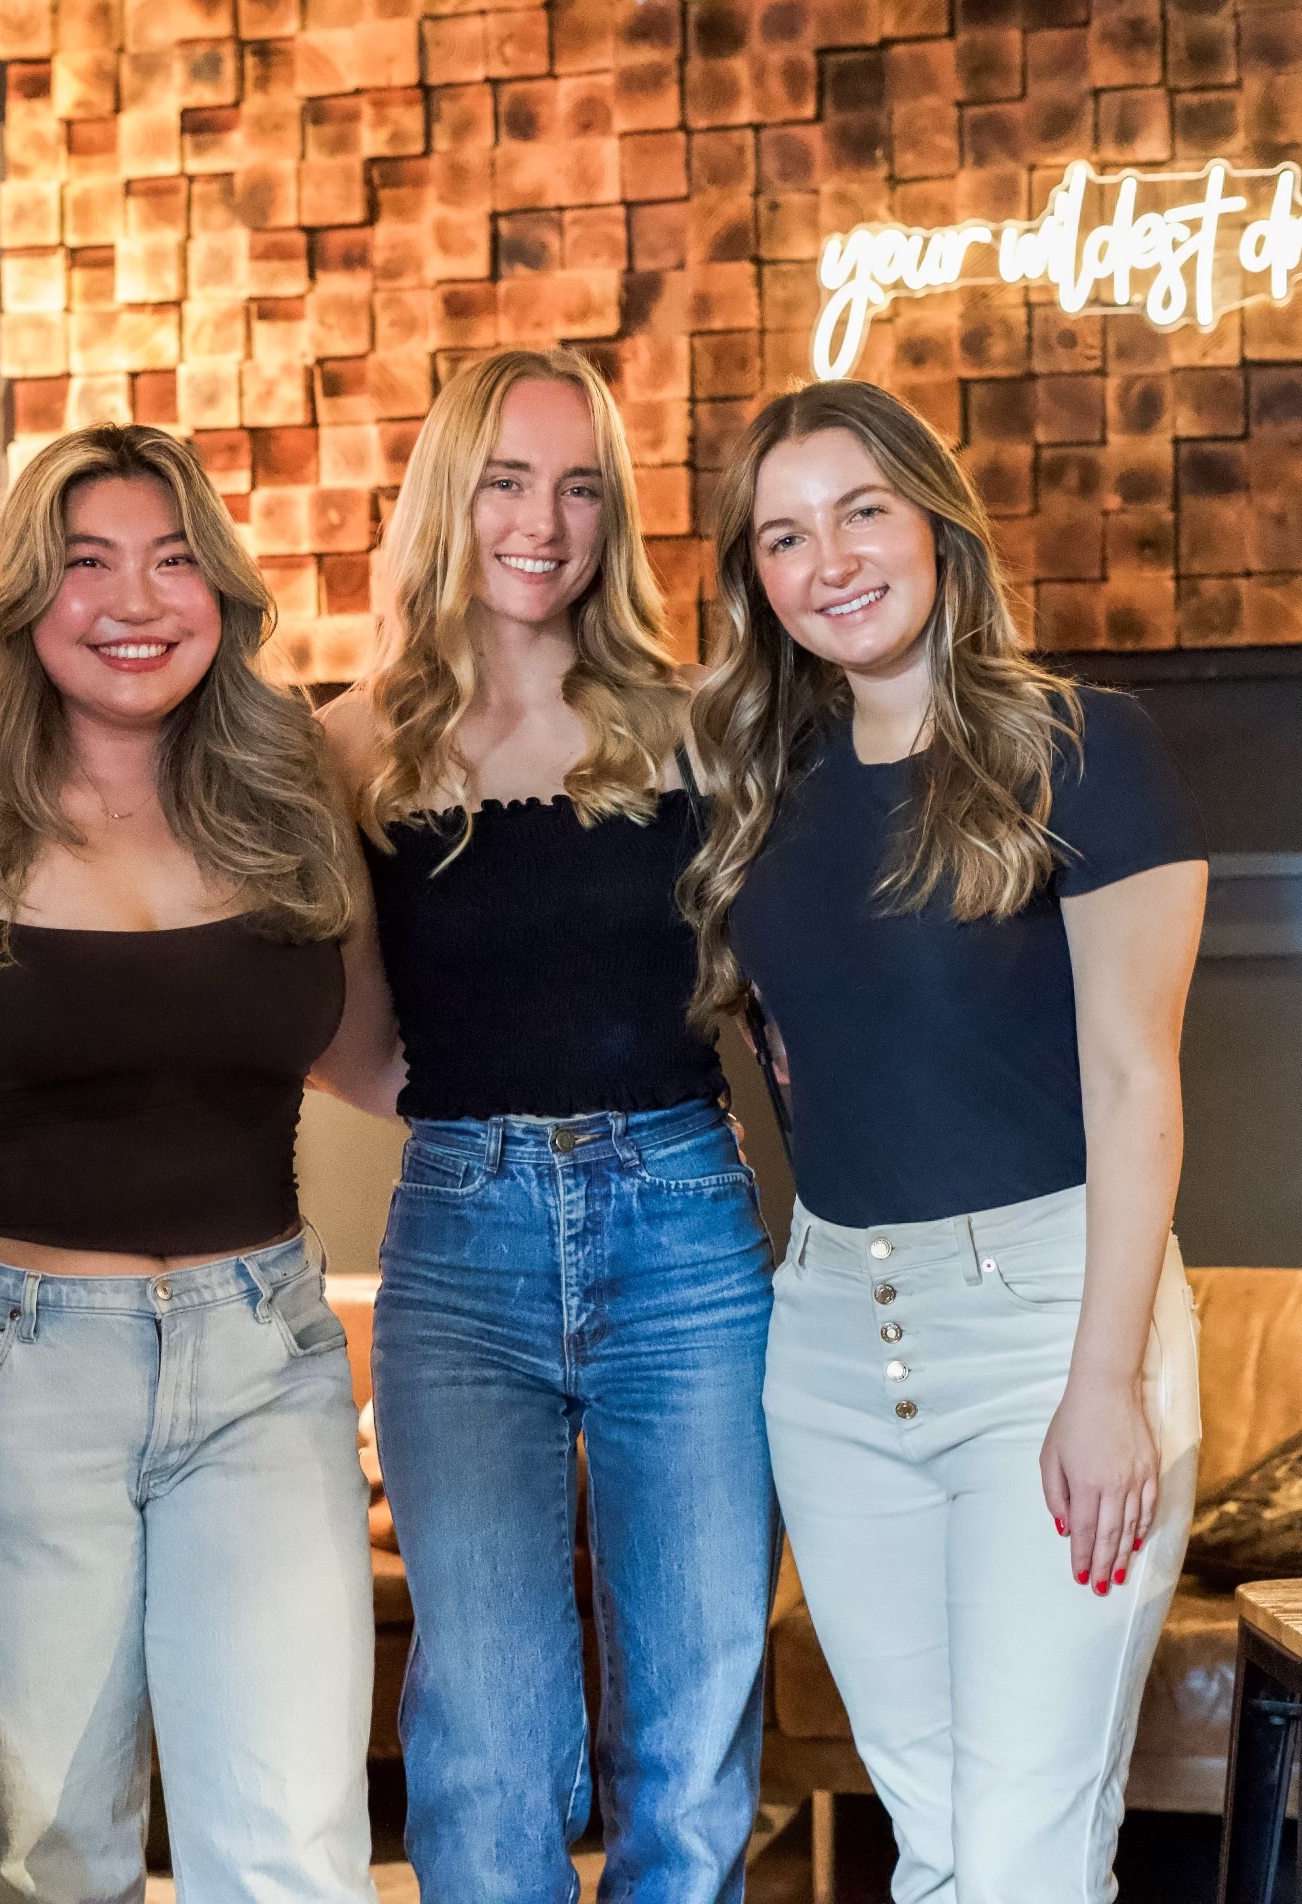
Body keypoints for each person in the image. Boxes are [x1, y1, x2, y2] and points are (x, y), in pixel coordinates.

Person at [682, 379, 1205, 1904]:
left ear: (935, 524)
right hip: (832, 1343)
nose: (830, 561)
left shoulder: (1083, 746)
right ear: (755, 581)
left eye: (861, 513)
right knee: (941, 1852)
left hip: (1052, 1325)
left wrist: (1107, 1386)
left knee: (1032, 1857)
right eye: (784, 537)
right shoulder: (760, 789)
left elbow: (1135, 1085)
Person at [0, 423, 375, 1904]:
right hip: (5, 1374)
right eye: (87, 562)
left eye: (172, 560)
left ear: (220, 592)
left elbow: (395, 1055)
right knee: (43, 1859)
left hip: (263, 1357)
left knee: (291, 1855)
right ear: (26, 598)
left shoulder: (293, 808)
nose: (135, 599)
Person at [312, 348, 776, 1903]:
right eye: (508, 480)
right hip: (459, 1244)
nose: (544, 520)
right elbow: (353, 1030)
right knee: (489, 1730)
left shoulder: (703, 722)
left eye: (581, 486)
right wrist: (490, 1129)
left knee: (694, 1713)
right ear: (451, 495)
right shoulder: (353, 743)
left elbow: (787, 984)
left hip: (687, 1233)